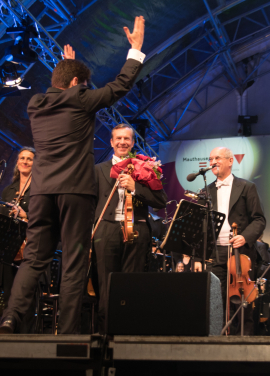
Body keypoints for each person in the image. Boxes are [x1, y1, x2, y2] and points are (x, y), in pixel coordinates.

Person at [0, 15, 146, 334]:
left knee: (34, 258)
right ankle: (67, 331)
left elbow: (63, 89)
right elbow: (118, 86)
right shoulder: (81, 98)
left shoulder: (36, 104)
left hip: (40, 192)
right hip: (76, 192)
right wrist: (134, 50)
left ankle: (11, 317)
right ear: (79, 85)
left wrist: (69, 69)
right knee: (74, 260)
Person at [92, 124, 167, 333]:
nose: (122, 142)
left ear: (133, 142)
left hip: (137, 231)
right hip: (106, 230)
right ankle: (106, 334)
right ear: (111, 142)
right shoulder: (98, 170)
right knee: (106, 285)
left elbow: (161, 201)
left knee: (131, 283)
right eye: (118, 138)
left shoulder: (145, 168)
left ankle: (129, 336)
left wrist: (136, 188)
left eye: (127, 139)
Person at [205, 146, 266, 335]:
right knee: (217, 299)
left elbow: (259, 219)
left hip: (241, 253)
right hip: (215, 253)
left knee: (243, 300)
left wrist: (244, 237)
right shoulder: (205, 191)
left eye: (217, 158)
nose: (213, 162)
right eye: (210, 159)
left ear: (230, 161)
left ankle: (245, 343)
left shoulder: (247, 187)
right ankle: (220, 340)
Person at [0, 147, 36, 332]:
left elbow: (44, 218)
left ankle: (26, 338)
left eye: (29, 159)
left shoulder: (39, 190)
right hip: (9, 248)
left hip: (29, 248)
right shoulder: (9, 190)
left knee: (25, 295)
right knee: (8, 293)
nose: (25, 161)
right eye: (22, 158)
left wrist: (25, 215)